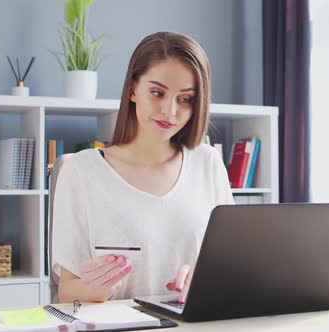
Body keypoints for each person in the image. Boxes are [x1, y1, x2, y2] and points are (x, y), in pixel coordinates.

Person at [51, 31, 234, 304]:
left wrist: (206, 279)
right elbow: (67, 290)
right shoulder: (80, 170)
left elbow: (232, 268)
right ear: (133, 89)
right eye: (157, 92)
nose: (169, 111)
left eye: (185, 99)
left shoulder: (208, 163)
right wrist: (98, 288)